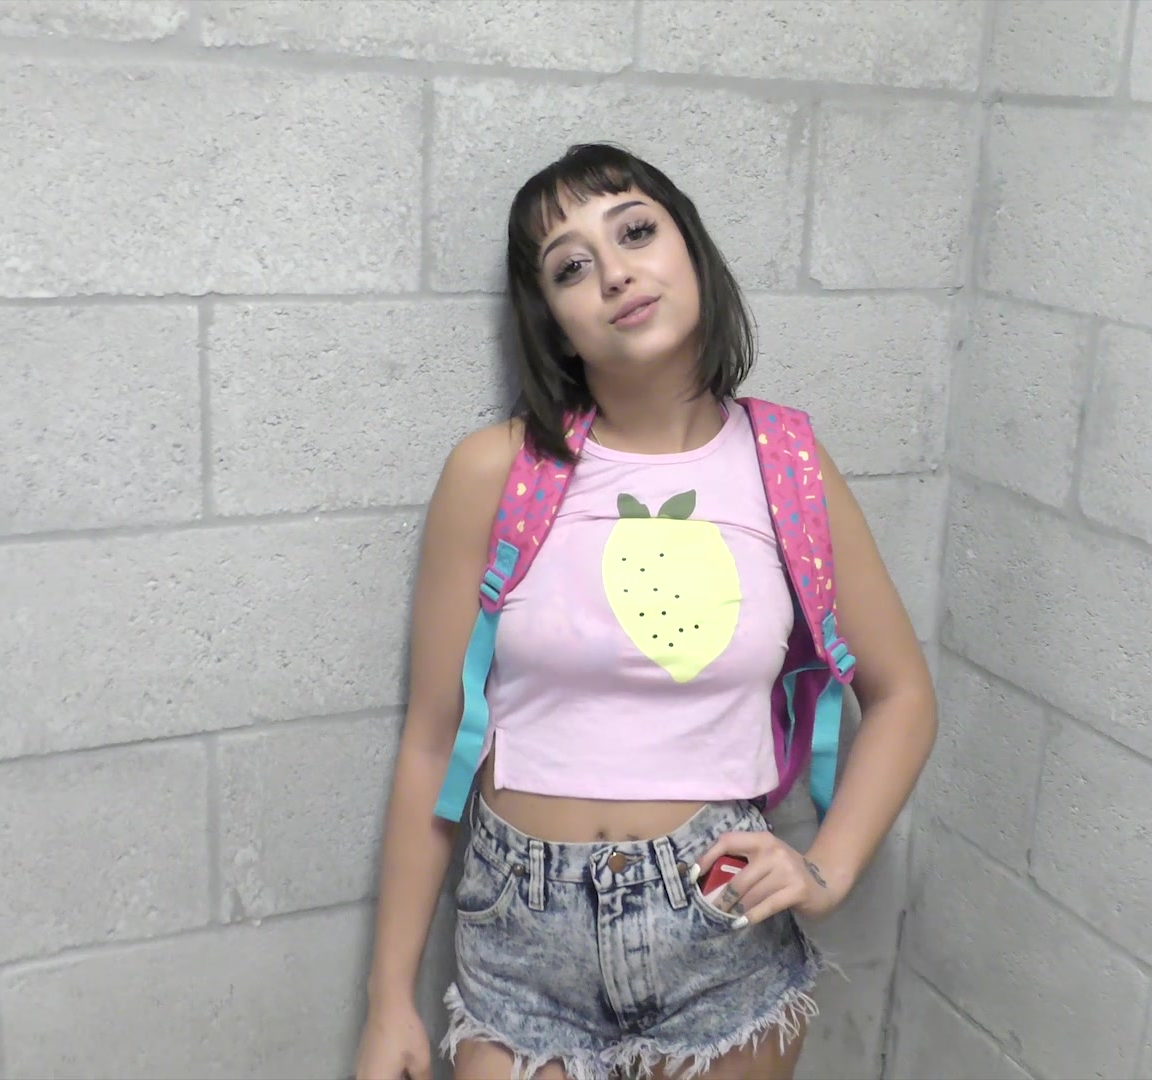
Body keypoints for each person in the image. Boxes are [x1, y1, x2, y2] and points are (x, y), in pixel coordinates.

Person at [352, 143, 937, 1080]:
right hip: (522, 939)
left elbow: (902, 694)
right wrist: (389, 1000)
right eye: (571, 267)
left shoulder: (787, 464)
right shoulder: (494, 472)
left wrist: (826, 867)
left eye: (634, 231)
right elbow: (432, 742)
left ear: (690, 249)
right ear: (553, 322)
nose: (614, 272)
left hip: (720, 932)